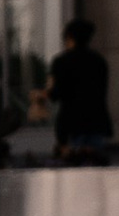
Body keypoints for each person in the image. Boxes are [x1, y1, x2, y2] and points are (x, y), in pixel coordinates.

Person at [48, 18, 113, 165]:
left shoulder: (61, 61)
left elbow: (55, 94)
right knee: (95, 167)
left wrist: (44, 93)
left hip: (71, 123)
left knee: (73, 169)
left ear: (69, 38)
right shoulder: (99, 61)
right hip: (97, 121)